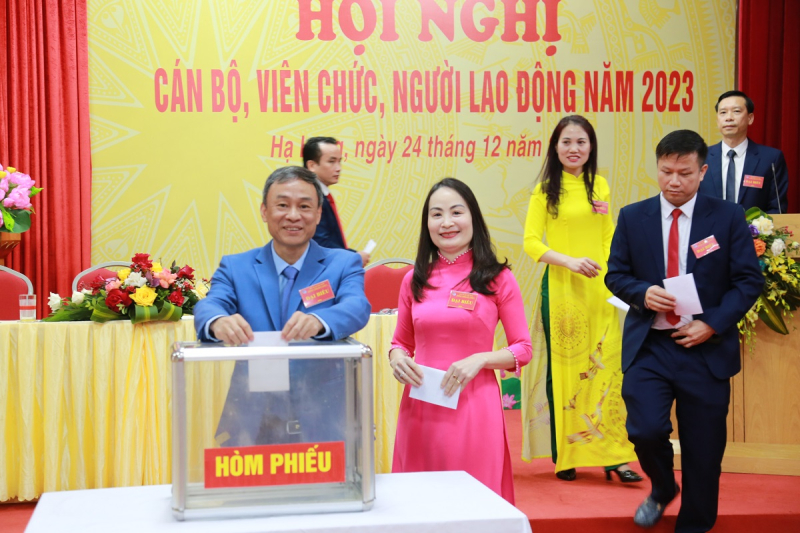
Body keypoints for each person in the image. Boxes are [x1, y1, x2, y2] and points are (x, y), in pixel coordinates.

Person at [606, 130, 763, 531]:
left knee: (703, 450)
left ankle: (694, 524)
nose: (674, 181)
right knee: (645, 430)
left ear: (703, 171)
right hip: (651, 345)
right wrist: (642, 292)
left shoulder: (727, 217)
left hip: (705, 349)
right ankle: (662, 487)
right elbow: (616, 275)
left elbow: (748, 281)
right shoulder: (633, 216)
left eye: (685, 173)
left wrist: (711, 324)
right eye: (666, 172)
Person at [194, 166, 371, 447]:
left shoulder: (343, 263)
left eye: (304, 206)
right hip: (255, 418)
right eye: (282, 205)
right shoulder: (236, 267)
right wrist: (217, 321)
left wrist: (320, 321)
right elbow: (211, 304)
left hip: (326, 417)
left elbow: (356, 306)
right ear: (264, 211)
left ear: (318, 214)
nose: (293, 215)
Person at [388, 177, 532, 504]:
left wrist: (480, 359)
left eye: (456, 212)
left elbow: (523, 348)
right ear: (427, 224)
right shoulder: (414, 279)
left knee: (474, 502)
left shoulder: (497, 278)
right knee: (420, 502)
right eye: (436, 214)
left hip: (474, 406)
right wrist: (397, 359)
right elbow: (400, 343)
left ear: (473, 218)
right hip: (421, 406)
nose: (447, 223)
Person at [523, 115, 641, 482]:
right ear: (555, 148)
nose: (574, 149)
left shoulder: (600, 186)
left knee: (606, 369)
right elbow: (531, 243)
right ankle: (566, 454)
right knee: (564, 372)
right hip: (561, 289)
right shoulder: (545, 191)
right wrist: (570, 261)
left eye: (581, 142)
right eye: (566, 142)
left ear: (591, 147)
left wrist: (614, 279)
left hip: (599, 288)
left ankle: (614, 457)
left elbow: (608, 235)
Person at [700, 90, 789, 214]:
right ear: (717, 120)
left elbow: (777, 208)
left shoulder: (771, 159)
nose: (729, 118)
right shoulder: (702, 157)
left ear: (750, 118)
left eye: (736, 111)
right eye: (723, 112)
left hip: (754, 227)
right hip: (710, 226)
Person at [302, 136, 371, 266]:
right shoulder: (309, 197)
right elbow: (320, 244)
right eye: (331, 161)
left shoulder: (320, 194)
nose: (338, 168)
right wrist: (353, 257)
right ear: (312, 165)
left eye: (339, 161)